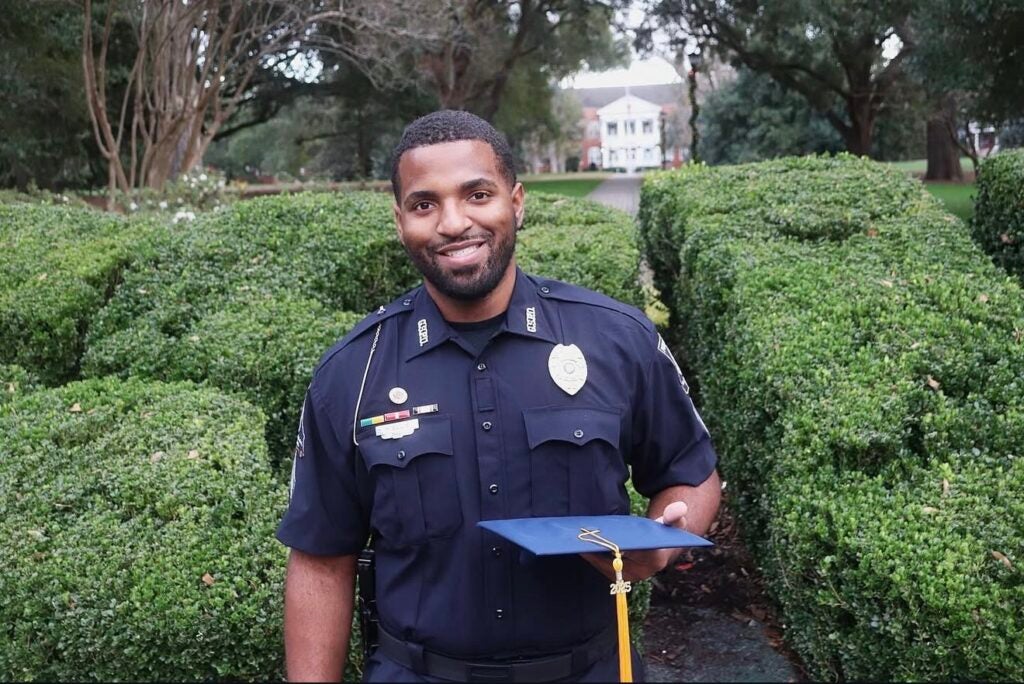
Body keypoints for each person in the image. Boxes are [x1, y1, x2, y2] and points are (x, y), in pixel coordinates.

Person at [277, 109, 721, 682]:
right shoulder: (350, 372)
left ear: (516, 201)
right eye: (424, 204)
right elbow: (320, 561)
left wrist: (662, 544)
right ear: (399, 220)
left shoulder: (616, 339)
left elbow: (692, 473)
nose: (453, 222)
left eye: (477, 194)